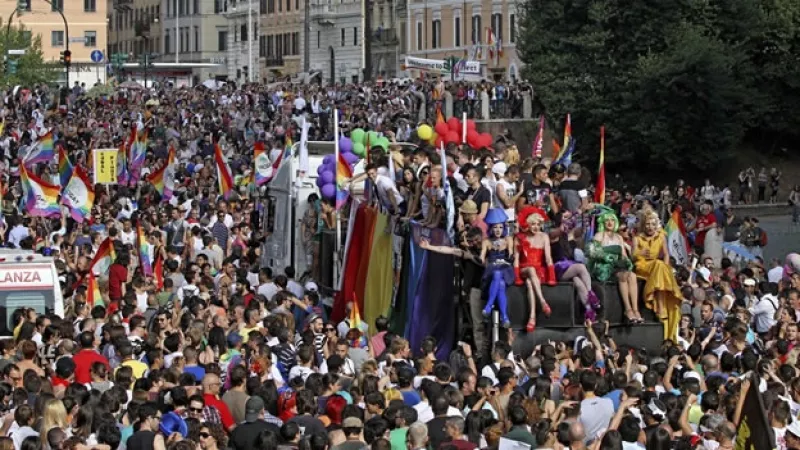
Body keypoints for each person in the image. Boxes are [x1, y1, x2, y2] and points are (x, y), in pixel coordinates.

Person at [632, 208, 683, 341]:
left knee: (661, 266)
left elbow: (666, 254)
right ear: (644, 225)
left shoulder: (661, 237)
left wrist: (666, 267)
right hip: (642, 266)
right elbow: (632, 256)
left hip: (657, 267)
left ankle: (661, 308)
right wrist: (639, 253)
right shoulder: (637, 238)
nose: (650, 227)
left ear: (656, 225)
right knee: (659, 266)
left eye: (653, 224)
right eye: (648, 224)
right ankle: (661, 308)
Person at [588, 209, 642, 323]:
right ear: (603, 222)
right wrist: (604, 256)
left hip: (617, 266)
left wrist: (628, 262)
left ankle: (635, 310)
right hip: (604, 267)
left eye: (612, 220)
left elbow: (623, 255)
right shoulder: (599, 235)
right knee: (623, 276)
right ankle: (628, 310)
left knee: (632, 275)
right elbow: (591, 252)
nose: (610, 222)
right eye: (607, 220)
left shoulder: (619, 237)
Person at [515, 206, 554, 332]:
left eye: (538, 224)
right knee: (530, 270)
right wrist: (517, 277)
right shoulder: (520, 237)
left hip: (539, 271)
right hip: (524, 269)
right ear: (528, 224)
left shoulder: (544, 237)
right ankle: (542, 302)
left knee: (529, 282)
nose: (536, 227)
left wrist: (551, 276)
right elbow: (516, 260)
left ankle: (532, 317)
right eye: (533, 224)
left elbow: (548, 258)